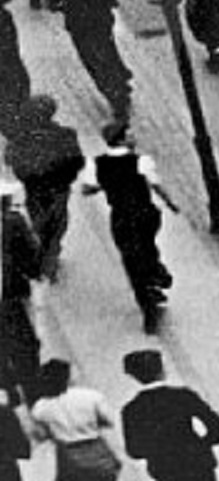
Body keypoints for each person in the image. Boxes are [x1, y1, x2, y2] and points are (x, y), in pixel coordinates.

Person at [89, 123, 172, 333]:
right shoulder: (141, 161)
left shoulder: (99, 163)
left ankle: (148, 304)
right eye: (129, 135)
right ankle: (155, 273)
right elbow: (156, 185)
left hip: (121, 218)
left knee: (131, 259)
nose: (134, 137)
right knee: (147, 246)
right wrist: (170, 202)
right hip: (144, 214)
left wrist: (107, 184)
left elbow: (88, 187)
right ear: (122, 139)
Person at [4, 95, 84, 282]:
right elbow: (76, 161)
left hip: (35, 189)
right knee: (56, 223)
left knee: (39, 222)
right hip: (58, 188)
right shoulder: (65, 134)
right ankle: (49, 258)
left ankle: (44, 257)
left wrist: (28, 174)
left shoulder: (21, 137)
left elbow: (10, 160)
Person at [47, 0, 132, 119]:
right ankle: (121, 80)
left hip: (79, 25)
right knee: (109, 50)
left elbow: (52, 3)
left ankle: (114, 96)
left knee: (93, 61)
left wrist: (65, 6)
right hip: (101, 20)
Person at [121, 350, 219, 481]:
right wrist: (201, 445)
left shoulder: (131, 410)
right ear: (162, 371)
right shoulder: (183, 395)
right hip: (198, 464)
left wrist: (159, 452)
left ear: (134, 376)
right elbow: (217, 425)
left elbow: (134, 450)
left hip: (166, 470)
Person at [29, 360, 120, 479]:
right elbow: (109, 421)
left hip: (68, 455)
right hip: (97, 450)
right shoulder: (91, 396)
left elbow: (40, 435)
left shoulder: (40, 407)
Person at [0, 178, 42, 403]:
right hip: (10, 293)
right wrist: (34, 273)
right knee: (25, 344)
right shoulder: (13, 222)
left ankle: (8, 389)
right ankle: (33, 392)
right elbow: (31, 253)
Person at [0, 0, 30, 139]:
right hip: (11, 63)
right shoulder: (5, 15)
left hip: (9, 63)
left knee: (9, 98)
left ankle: (15, 132)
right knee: (17, 92)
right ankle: (18, 131)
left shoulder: (5, 16)